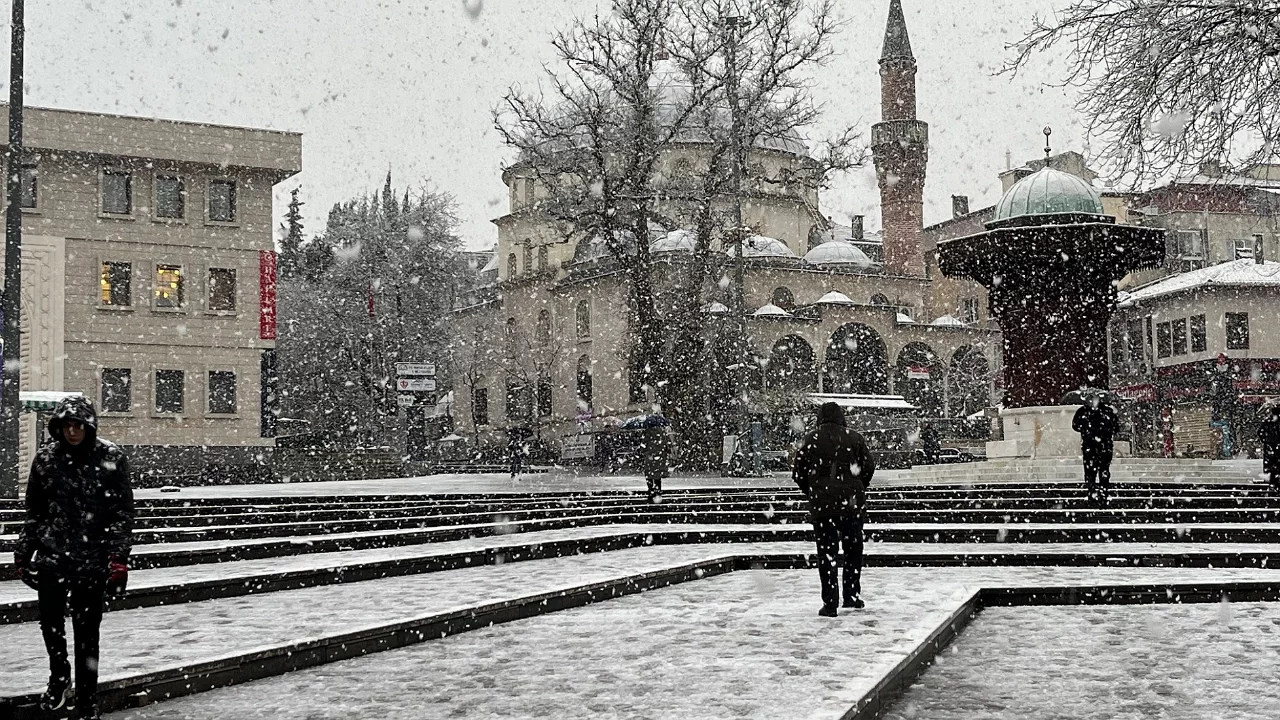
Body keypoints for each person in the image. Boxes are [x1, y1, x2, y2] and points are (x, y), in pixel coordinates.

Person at [14, 396, 133, 720]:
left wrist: (117, 560)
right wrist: (25, 551)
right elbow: (35, 512)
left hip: (91, 561)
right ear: (58, 427)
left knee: (86, 635)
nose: (72, 431)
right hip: (53, 559)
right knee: (51, 626)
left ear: (89, 426)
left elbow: (122, 513)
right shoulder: (46, 460)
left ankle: (86, 701)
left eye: (78, 424)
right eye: (66, 425)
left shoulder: (110, 458)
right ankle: (59, 677)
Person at [792, 402, 876, 617]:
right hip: (851, 504)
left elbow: (798, 472)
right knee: (853, 551)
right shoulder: (855, 438)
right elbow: (868, 466)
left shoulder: (811, 439)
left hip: (823, 505)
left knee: (826, 553)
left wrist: (814, 490)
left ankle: (830, 603)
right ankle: (851, 595)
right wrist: (856, 487)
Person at [1072, 391, 1119, 508]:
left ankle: (1102, 496)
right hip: (1092, 446)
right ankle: (1092, 495)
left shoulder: (1105, 411)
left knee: (1102, 472)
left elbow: (1116, 427)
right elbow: (1075, 425)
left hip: (1102, 447)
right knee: (1091, 473)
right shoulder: (1084, 411)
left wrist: (1101, 433)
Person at [643, 421, 670, 504]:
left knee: (649, 475)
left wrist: (645, 452)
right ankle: (658, 491)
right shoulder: (662, 433)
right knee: (658, 476)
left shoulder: (647, 433)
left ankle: (651, 491)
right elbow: (667, 446)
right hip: (659, 457)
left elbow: (643, 445)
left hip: (650, 458)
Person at [1259, 402, 1280, 490]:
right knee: (1275, 466)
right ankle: (1274, 482)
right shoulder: (1271, 423)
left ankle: (1272, 483)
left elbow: (1260, 432)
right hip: (1273, 446)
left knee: (1272, 467)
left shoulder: (1268, 422)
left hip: (1270, 447)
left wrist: (1266, 440)